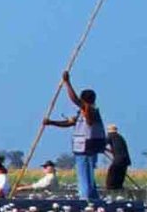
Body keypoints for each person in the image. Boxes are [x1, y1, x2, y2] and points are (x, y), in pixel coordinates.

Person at [40, 70, 108, 202]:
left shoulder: (91, 110)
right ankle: (93, 198)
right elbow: (69, 123)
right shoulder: (82, 113)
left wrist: (67, 82)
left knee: (84, 175)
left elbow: (75, 100)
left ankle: (85, 199)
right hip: (84, 148)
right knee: (87, 175)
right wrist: (51, 122)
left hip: (86, 148)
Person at [104, 123, 132, 191]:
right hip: (125, 160)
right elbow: (117, 149)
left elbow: (102, 144)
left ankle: (111, 189)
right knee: (120, 176)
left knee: (112, 175)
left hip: (119, 159)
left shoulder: (111, 136)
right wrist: (107, 150)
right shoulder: (119, 137)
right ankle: (118, 188)